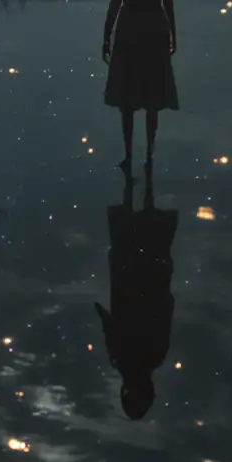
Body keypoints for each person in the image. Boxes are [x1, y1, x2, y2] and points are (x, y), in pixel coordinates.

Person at [94, 165, 178, 419]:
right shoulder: (126, 359)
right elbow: (110, 325)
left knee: (143, 236)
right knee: (131, 236)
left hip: (147, 282)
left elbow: (167, 311)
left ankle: (140, 186)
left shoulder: (151, 357)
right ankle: (135, 186)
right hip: (131, 282)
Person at [101, 0, 178, 171]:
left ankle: (129, 154)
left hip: (131, 25)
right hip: (155, 25)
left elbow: (115, 1)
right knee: (152, 94)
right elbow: (167, 1)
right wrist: (173, 33)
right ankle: (150, 153)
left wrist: (106, 34)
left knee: (127, 95)